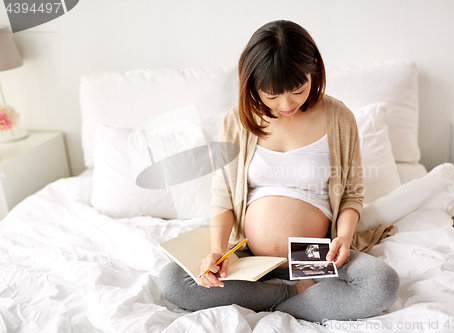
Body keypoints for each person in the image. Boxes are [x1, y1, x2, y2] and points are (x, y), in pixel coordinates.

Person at [159, 20, 399, 322]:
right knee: (173, 281)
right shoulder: (236, 122)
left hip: (313, 256)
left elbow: (351, 194)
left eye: (297, 90)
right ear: (252, 84)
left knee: (382, 284)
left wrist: (343, 237)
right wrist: (217, 253)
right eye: (271, 96)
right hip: (252, 258)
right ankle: (283, 297)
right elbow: (222, 197)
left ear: (313, 67)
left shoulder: (339, 119)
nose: (287, 104)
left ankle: (286, 299)